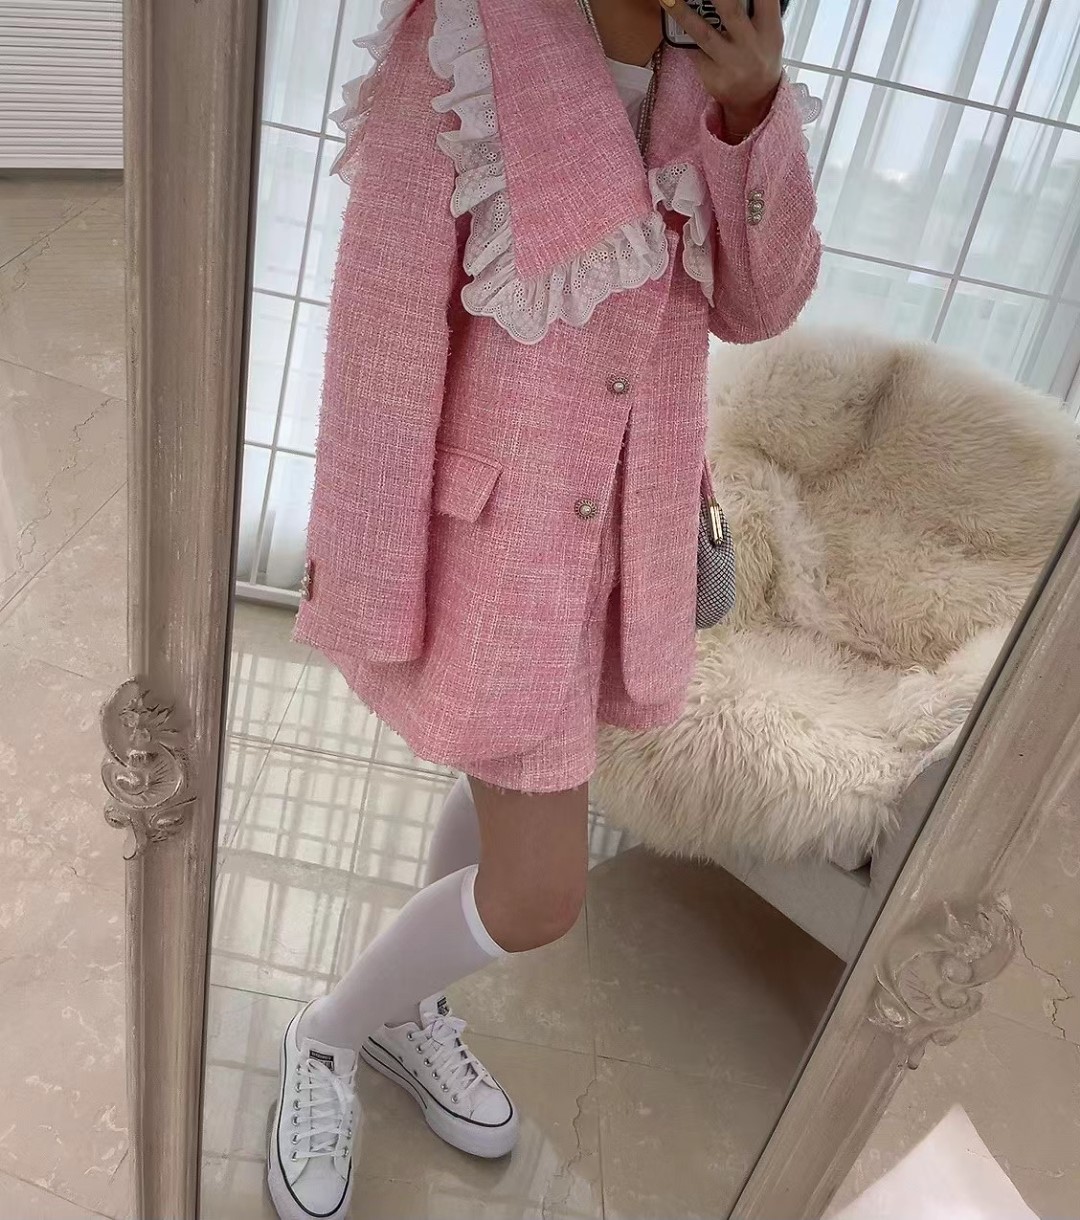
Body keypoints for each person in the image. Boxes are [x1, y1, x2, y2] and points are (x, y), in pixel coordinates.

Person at [268, 0, 819, 1215]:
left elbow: (761, 305)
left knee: (505, 796)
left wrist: (751, 109)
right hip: (495, 550)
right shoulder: (468, 32)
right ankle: (328, 1030)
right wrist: (371, 576)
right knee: (537, 896)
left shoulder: (711, 62)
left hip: (626, 542)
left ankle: (408, 1009)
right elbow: (382, 333)